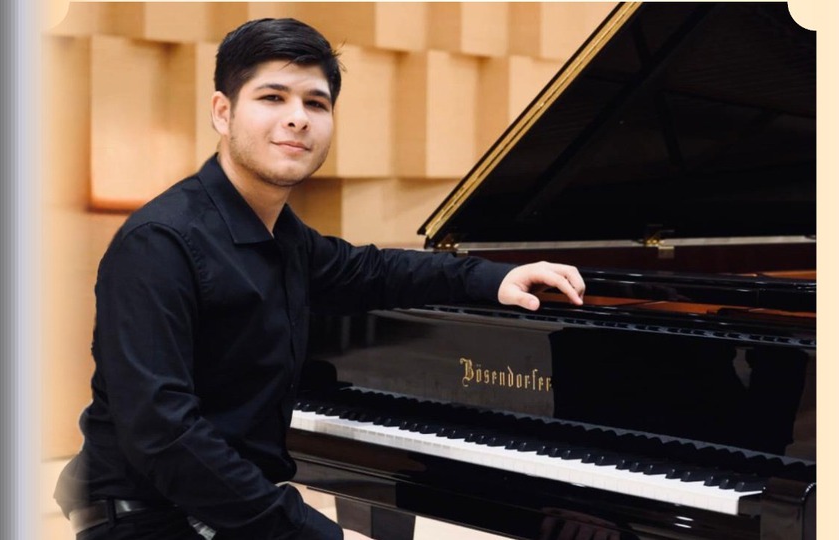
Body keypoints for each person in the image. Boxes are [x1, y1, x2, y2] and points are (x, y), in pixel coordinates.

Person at [54, 17, 585, 540]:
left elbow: (375, 270)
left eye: (315, 103)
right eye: (272, 97)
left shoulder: (284, 237)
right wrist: (310, 531)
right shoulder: (159, 243)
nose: (298, 119)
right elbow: (163, 434)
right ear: (222, 112)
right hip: (146, 519)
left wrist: (493, 277)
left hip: (218, 510)